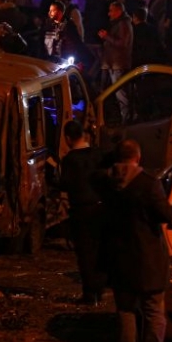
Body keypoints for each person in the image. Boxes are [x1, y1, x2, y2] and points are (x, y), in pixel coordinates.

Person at [94, 138, 172, 342]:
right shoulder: (148, 184)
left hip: (119, 258)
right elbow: (166, 215)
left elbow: (95, 177)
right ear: (138, 157)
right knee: (154, 310)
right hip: (149, 259)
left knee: (126, 311)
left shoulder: (105, 182)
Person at [59, 121, 106, 306]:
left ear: (68, 138)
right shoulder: (97, 154)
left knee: (85, 253)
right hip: (100, 207)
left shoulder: (70, 160)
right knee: (100, 250)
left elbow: (65, 184)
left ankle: (89, 293)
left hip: (81, 210)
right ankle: (100, 289)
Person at [98, 1, 133, 119]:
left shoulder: (123, 24)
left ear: (119, 11)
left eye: (111, 11)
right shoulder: (117, 24)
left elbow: (123, 43)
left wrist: (106, 36)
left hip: (118, 64)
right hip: (112, 63)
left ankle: (126, 117)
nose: (109, 14)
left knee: (120, 92)